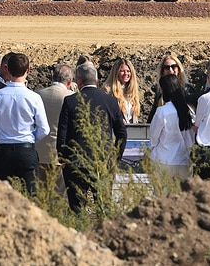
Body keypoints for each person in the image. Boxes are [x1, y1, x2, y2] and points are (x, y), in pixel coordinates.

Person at [57, 62, 127, 214]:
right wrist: (116, 157)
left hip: (76, 162)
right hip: (103, 161)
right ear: (97, 79)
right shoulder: (111, 101)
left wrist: (63, 158)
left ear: (79, 81)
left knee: (77, 209)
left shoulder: (70, 101)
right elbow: (122, 133)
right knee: (103, 206)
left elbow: (62, 133)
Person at [0, 53, 49, 194]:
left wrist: (2, 135)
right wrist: (29, 138)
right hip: (26, 149)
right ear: (28, 70)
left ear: (6, 69)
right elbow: (44, 129)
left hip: (3, 150)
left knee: (2, 196)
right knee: (31, 195)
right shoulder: (34, 97)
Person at [35, 63, 74, 191]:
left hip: (38, 151)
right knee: (59, 196)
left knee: (40, 194)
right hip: (59, 154)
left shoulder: (37, 94)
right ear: (70, 81)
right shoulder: (71, 97)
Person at [149, 74, 195, 179]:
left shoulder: (162, 111)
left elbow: (153, 137)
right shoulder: (189, 110)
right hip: (184, 160)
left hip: (163, 159)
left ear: (163, 90)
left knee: (162, 194)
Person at [147, 54, 198, 124]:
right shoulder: (160, 93)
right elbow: (152, 116)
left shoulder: (187, 90)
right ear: (162, 71)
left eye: (173, 67)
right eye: (166, 67)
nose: (170, 70)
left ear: (179, 69)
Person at [102, 58, 142, 124]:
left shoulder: (133, 91)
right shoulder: (108, 90)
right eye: (122, 71)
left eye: (128, 71)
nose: (126, 74)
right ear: (116, 73)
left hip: (133, 131)